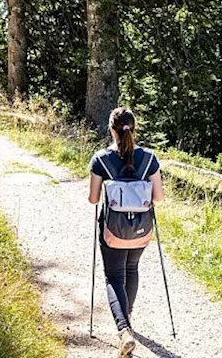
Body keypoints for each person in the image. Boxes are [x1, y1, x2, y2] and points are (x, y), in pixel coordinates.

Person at [88, 107, 163, 358]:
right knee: (131, 269)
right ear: (134, 128)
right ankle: (126, 318)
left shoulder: (100, 159)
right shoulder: (150, 158)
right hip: (141, 228)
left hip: (113, 229)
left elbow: (93, 199)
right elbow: (159, 197)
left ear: (111, 129)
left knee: (113, 277)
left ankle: (123, 330)